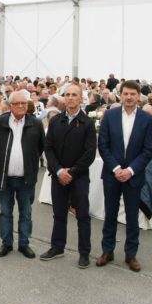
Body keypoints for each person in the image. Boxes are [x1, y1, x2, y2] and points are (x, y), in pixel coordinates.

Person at [97, 80, 152, 272]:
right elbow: (103, 145)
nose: (129, 97)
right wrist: (115, 169)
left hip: (133, 176)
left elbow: (147, 151)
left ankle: (131, 255)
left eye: (133, 94)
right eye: (126, 93)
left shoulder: (147, 119)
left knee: (132, 217)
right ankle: (107, 251)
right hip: (112, 174)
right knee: (110, 214)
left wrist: (129, 171)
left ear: (139, 96)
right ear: (120, 95)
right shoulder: (110, 115)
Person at [41, 84, 97, 268]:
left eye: (75, 95)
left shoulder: (87, 123)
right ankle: (57, 247)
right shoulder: (56, 120)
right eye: (68, 95)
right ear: (64, 98)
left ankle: (84, 253)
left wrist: (71, 172)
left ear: (81, 99)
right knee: (58, 214)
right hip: (58, 176)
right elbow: (48, 148)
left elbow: (89, 153)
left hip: (78, 176)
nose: (71, 98)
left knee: (82, 215)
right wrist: (58, 171)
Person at [0, 91, 45, 259]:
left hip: (26, 178)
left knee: (26, 212)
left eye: (24, 103)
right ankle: (6, 243)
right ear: (10, 105)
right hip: (5, 178)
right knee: (5, 211)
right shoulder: (0, 123)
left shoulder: (35, 124)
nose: (21, 106)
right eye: (17, 103)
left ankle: (24, 243)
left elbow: (41, 146)